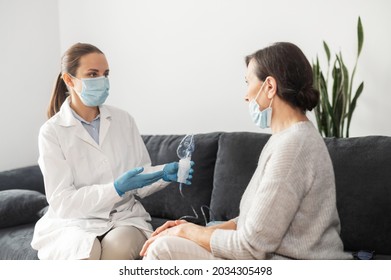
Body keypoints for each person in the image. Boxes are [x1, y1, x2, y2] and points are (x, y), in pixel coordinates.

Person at [140, 42, 352, 260]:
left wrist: (186, 231)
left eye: (248, 82)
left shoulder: (293, 147)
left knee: (162, 249)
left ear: (269, 87)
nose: (246, 96)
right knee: (172, 241)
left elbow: (250, 247)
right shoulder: (285, 139)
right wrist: (196, 231)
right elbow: (250, 224)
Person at [31, 43, 193, 260]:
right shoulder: (52, 132)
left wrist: (164, 174)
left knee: (117, 249)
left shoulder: (123, 120)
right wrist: (114, 189)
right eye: (92, 74)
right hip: (75, 222)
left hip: (124, 217)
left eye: (105, 74)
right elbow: (63, 202)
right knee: (87, 251)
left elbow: (139, 179)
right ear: (69, 80)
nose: (102, 80)